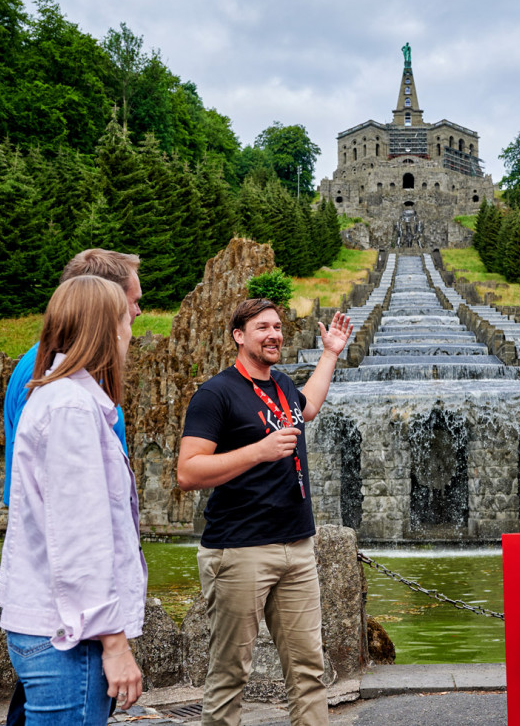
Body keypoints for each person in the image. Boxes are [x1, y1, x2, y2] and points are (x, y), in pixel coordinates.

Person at [176, 298, 353, 726]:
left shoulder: (282, 386)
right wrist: (256, 451)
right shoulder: (215, 394)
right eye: (262, 328)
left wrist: (330, 353)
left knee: (309, 672)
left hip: (297, 545)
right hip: (240, 550)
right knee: (230, 674)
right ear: (239, 336)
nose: (274, 334)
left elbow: (307, 407)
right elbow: (188, 471)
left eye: (277, 327)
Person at [0, 275, 148, 724]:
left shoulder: (63, 397)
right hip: (68, 638)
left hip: (58, 628)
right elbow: (81, 538)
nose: (131, 330)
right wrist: (115, 644)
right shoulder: (70, 410)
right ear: (104, 329)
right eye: (125, 318)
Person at [2, 249, 143, 507]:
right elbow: (50, 503)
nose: (139, 311)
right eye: (133, 301)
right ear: (103, 300)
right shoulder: (55, 385)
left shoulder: (73, 371)